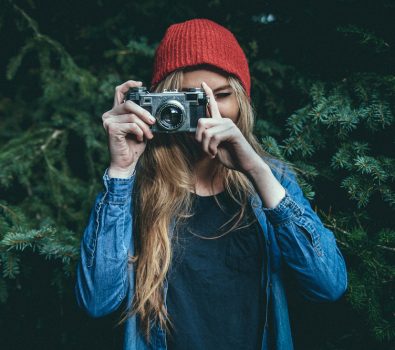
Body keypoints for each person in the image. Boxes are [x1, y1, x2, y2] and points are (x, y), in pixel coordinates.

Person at [75, 18, 348, 350]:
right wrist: (120, 171)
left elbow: (329, 284)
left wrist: (257, 172)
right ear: (162, 106)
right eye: (193, 99)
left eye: (222, 95)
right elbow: (96, 301)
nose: (210, 113)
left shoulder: (271, 180)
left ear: (242, 101)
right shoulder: (135, 187)